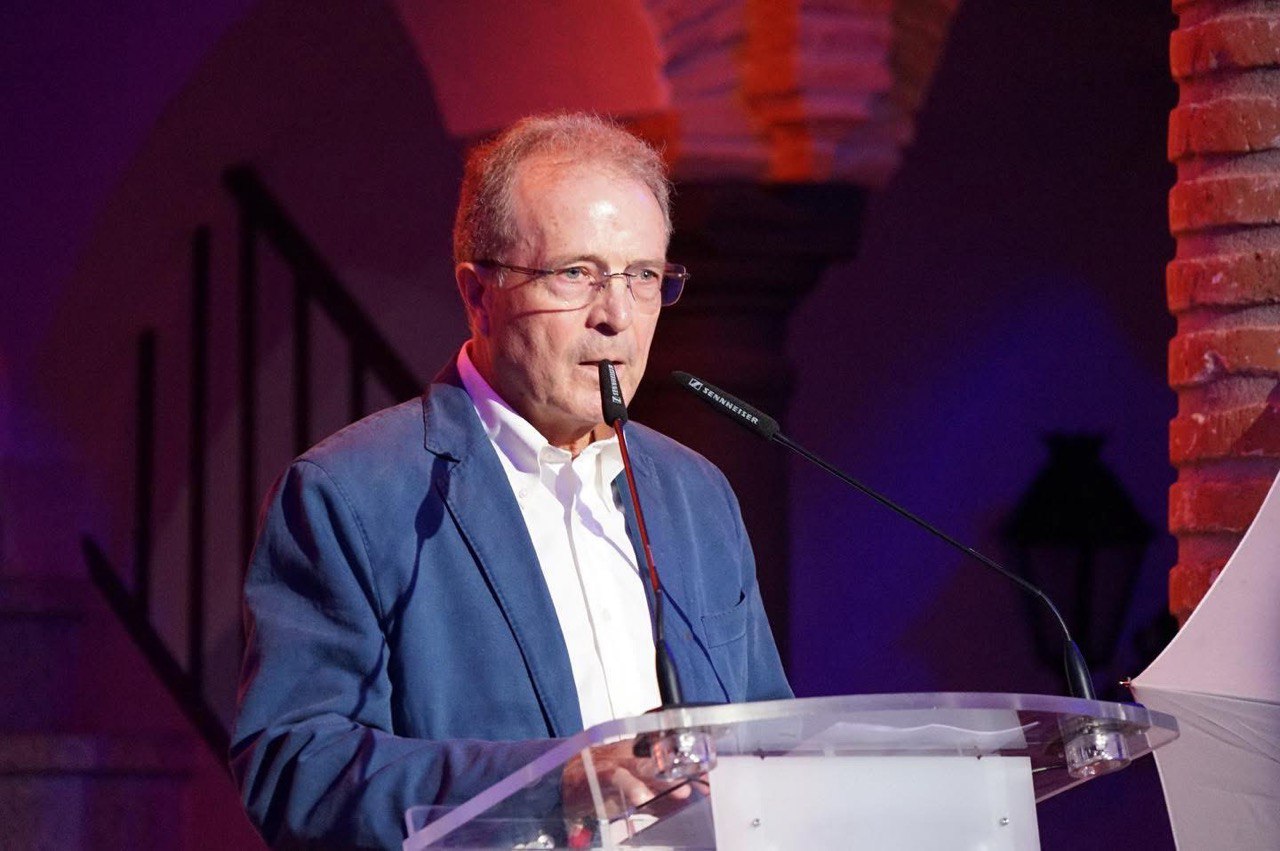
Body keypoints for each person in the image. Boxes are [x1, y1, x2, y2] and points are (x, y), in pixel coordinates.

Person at [231, 112, 791, 849]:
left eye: (643, 276)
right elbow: (298, 769)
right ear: (478, 294)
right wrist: (555, 783)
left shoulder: (696, 494)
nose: (616, 316)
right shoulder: (350, 494)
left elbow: (767, 740)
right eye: (576, 273)